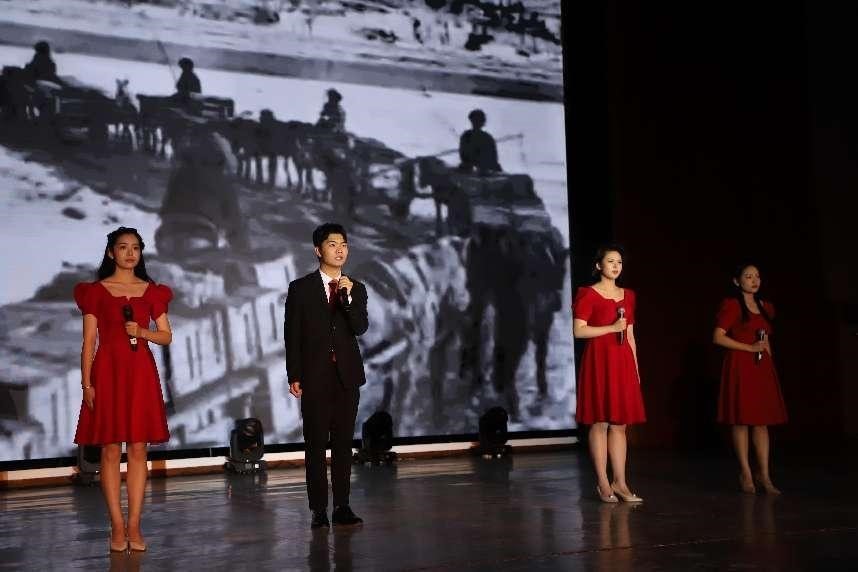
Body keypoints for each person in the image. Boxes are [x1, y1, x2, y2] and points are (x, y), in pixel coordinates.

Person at [73, 227, 173, 553]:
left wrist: (142, 331)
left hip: (141, 373)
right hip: (108, 372)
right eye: (123, 247)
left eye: (135, 248)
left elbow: (166, 336)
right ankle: (116, 525)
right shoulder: (95, 292)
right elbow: (89, 341)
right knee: (111, 449)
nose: (130, 253)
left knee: (139, 449)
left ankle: (135, 525)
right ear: (110, 253)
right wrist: (87, 384)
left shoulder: (152, 291)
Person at [285, 223, 369, 529]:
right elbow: (292, 335)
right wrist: (294, 374)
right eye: (332, 245)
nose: (339, 250)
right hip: (314, 376)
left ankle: (342, 506)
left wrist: (347, 299)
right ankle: (318, 510)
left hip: (347, 377)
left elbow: (359, 327)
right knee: (316, 444)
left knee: (344, 444)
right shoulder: (301, 288)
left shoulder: (355, 288)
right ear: (318, 250)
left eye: (344, 244)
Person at [573, 245, 645, 503]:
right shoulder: (588, 294)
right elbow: (579, 331)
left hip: (622, 362)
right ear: (598, 266)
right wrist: (611, 328)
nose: (616, 266)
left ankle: (620, 482)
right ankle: (603, 482)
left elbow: (631, 335)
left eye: (619, 262)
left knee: (620, 424)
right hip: (599, 361)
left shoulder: (629, 295)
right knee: (600, 422)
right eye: (611, 261)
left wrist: (635, 368)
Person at [712, 263, 787, 495]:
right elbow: (718, 337)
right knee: (741, 420)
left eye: (757, 276)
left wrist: (769, 364)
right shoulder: (733, 305)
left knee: (762, 422)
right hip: (740, 365)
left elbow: (766, 341)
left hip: (761, 367)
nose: (754, 281)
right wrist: (749, 348)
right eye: (748, 276)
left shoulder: (765, 307)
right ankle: (745, 472)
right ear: (737, 281)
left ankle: (763, 474)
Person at [458, 109, 502, 175]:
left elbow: (493, 158)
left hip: (486, 170)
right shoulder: (466, 135)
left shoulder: (487, 138)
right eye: (475, 120)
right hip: (470, 169)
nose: (477, 122)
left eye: (479, 120)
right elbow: (463, 155)